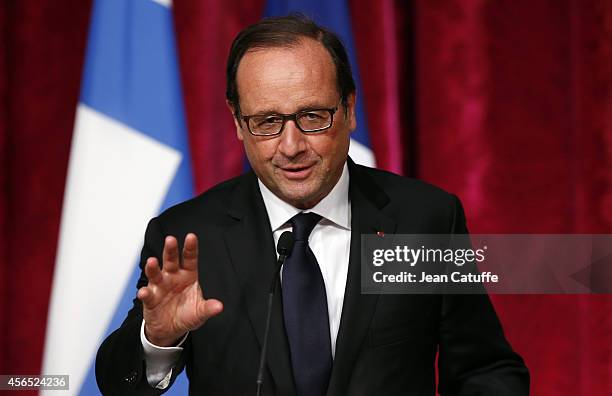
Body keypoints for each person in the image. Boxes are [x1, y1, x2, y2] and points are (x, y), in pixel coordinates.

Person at [96, 14, 529, 395]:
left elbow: (485, 368)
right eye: (267, 122)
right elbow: (118, 384)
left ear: (349, 109)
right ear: (237, 124)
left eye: (312, 116)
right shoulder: (189, 236)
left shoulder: (423, 219)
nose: (291, 146)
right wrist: (156, 339)